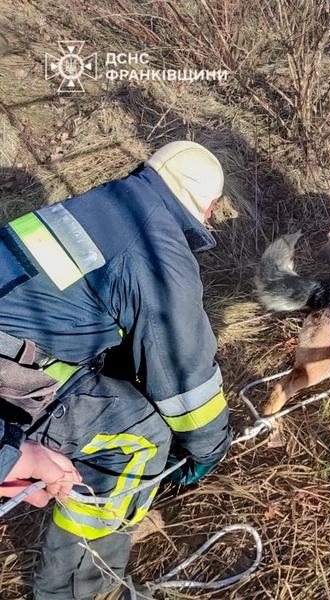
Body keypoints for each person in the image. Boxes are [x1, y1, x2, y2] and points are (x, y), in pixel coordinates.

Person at [0, 141, 232, 599]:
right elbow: (186, 380)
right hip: (11, 368)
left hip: (14, 343)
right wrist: (207, 450)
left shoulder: (97, 203)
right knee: (140, 440)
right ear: (207, 209)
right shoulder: (158, 246)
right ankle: (79, 589)